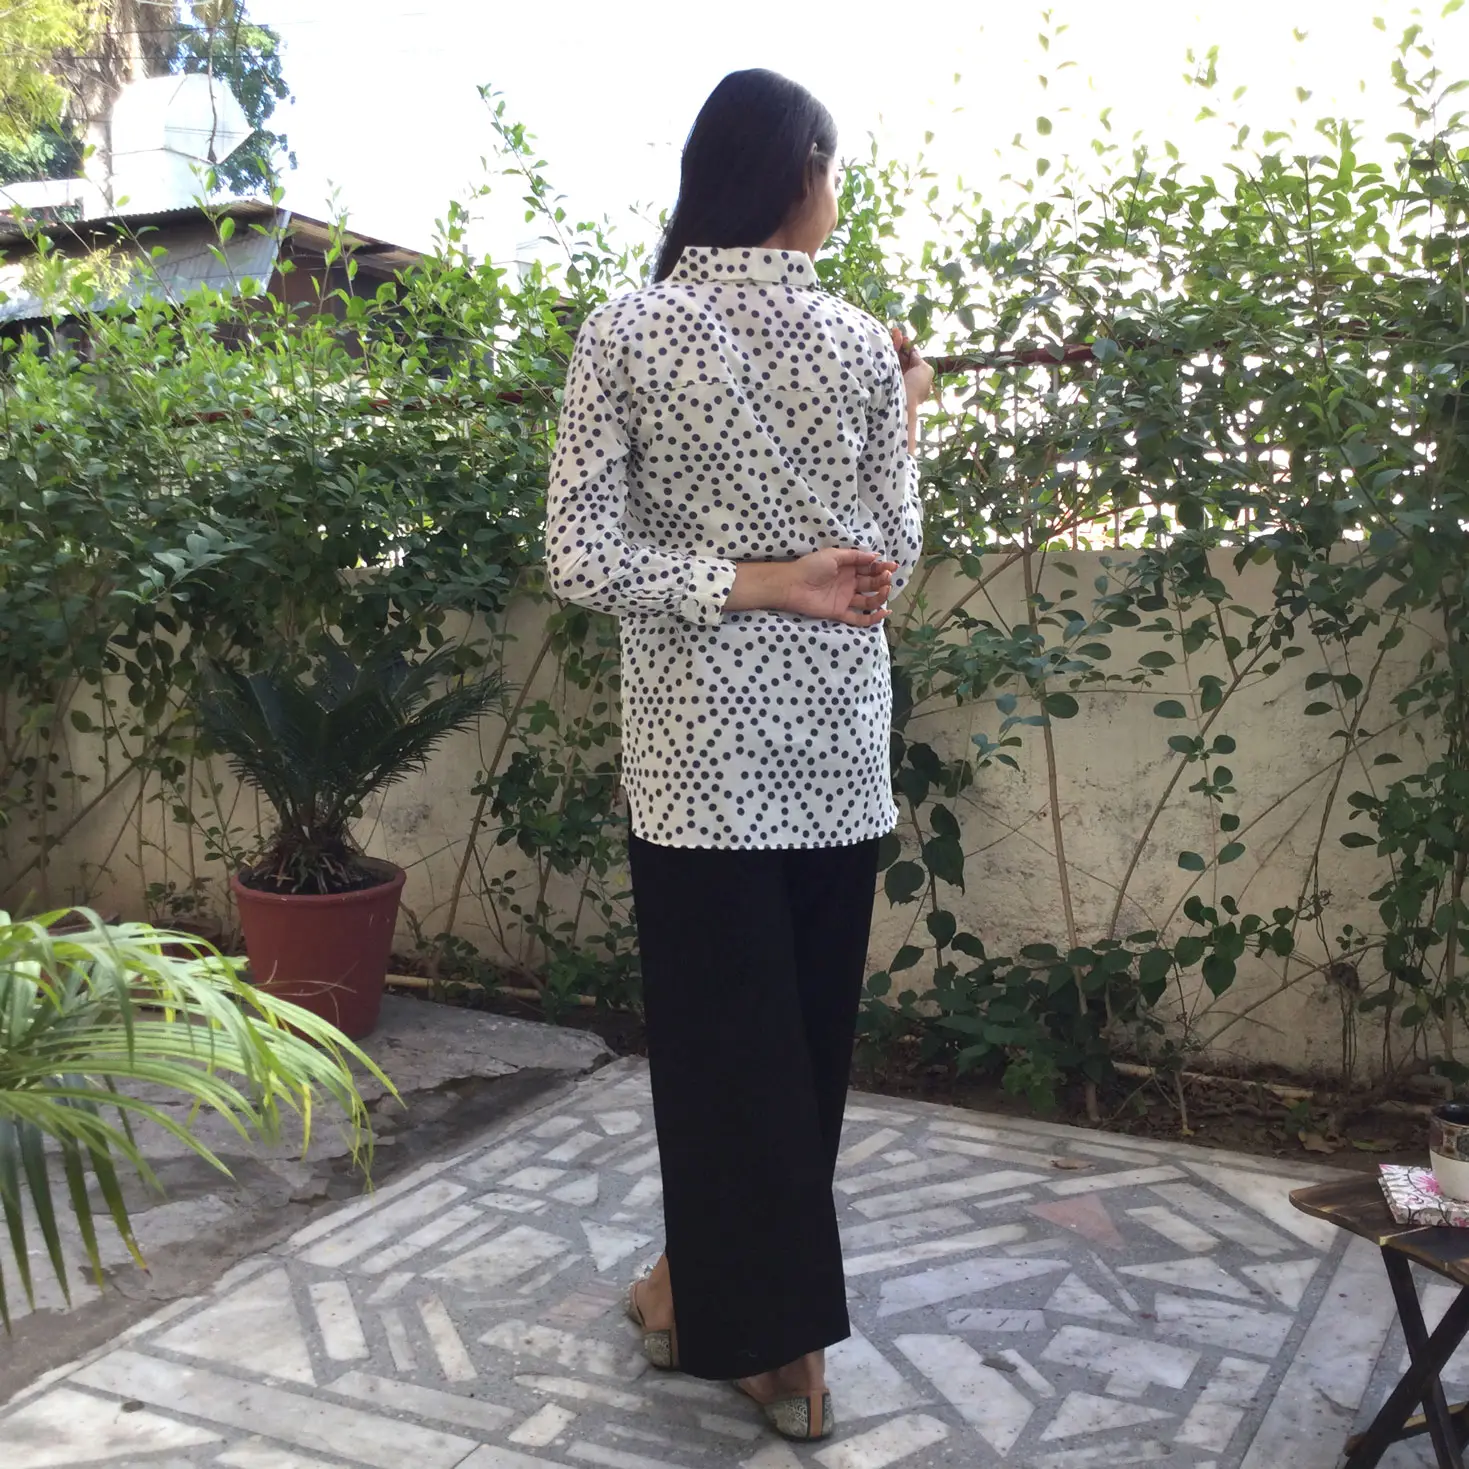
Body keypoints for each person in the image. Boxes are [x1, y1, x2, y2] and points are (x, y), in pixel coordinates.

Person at [544, 68, 932, 1443]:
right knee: (801, 1058)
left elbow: (579, 554)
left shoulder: (626, 330)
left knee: (723, 1061)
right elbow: (893, 558)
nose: (838, 194)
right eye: (832, 169)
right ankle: (727, 1314)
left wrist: (739, 583)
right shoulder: (860, 347)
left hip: (696, 761)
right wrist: (899, 424)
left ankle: (773, 1346)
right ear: (796, 174)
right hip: (834, 755)